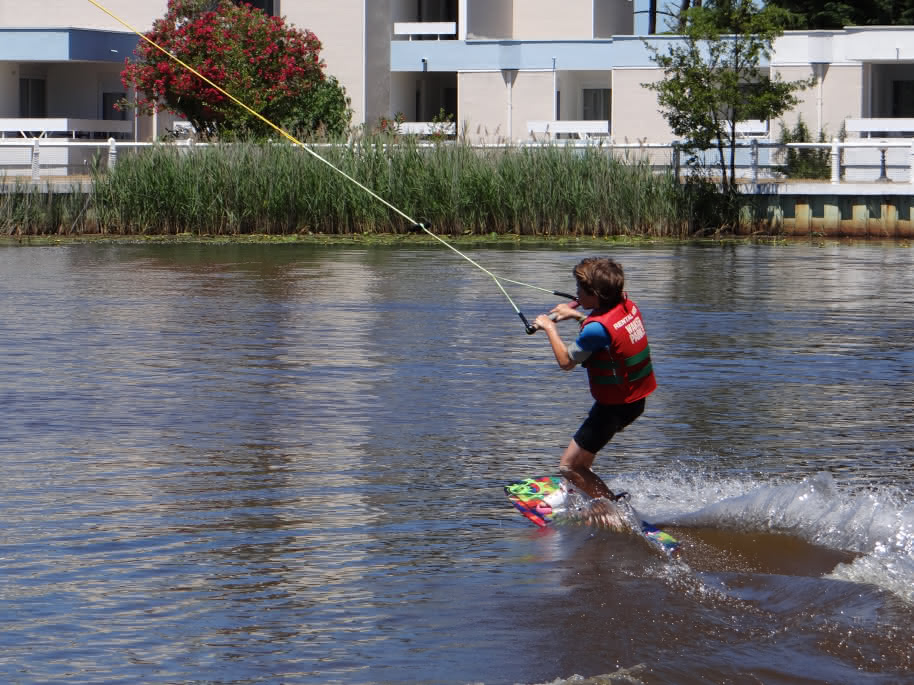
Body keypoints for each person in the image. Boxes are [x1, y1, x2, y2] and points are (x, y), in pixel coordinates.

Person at [533, 257, 656, 505]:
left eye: (580, 290)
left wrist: (549, 328)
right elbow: (606, 330)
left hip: (613, 408)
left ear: (596, 295)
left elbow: (567, 362)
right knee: (583, 459)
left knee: (569, 466)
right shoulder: (627, 305)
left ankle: (613, 508)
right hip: (633, 400)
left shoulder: (595, 329)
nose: (576, 293)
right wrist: (576, 314)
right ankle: (576, 495)